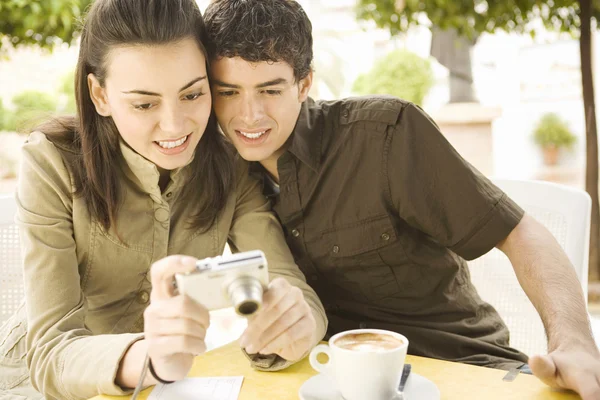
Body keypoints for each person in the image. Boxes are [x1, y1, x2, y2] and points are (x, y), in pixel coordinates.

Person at [203, 0, 600, 398]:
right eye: (229, 92)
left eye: (269, 90)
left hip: (461, 367)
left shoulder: (386, 136)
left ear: (305, 84)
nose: (248, 115)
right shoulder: (229, 178)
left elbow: (521, 234)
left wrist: (574, 342)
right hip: (336, 381)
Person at [0, 1, 327, 399]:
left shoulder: (229, 164)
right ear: (99, 95)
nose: (175, 125)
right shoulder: (50, 163)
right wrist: (150, 358)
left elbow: (286, 281)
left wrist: (298, 322)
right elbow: (51, 351)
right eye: (144, 103)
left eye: (192, 95)